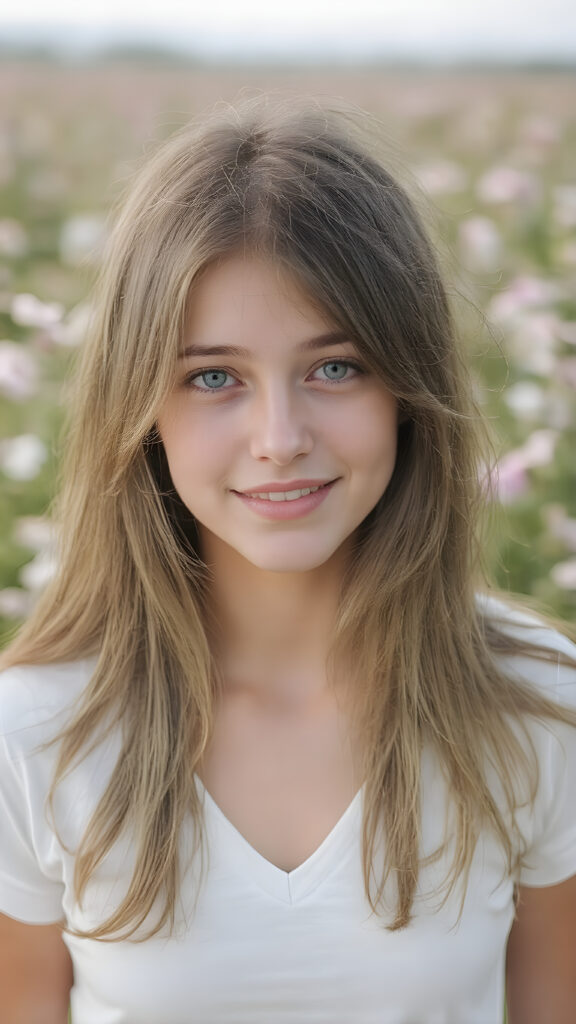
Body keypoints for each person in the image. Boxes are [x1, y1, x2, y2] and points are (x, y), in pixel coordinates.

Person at [0, 96, 575, 1024]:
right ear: (140, 409)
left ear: (409, 388)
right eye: (213, 377)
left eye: (334, 367)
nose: (280, 437)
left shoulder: (535, 704)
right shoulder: (34, 734)